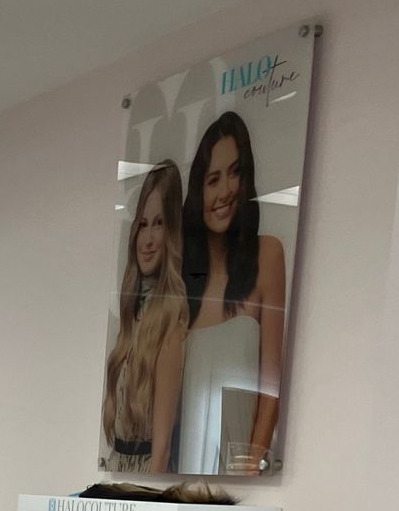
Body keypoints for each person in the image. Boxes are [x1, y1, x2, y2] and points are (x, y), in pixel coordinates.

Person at [179, 111, 287, 473]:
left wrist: (250, 465)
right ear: (199, 191)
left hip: (240, 472)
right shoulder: (183, 282)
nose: (225, 190)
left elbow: (272, 387)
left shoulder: (267, 255)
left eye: (235, 172)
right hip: (186, 470)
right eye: (213, 179)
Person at [102, 160, 188, 473]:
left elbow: (162, 450)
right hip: (117, 470)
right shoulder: (129, 317)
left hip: (144, 479)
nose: (149, 239)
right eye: (143, 224)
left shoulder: (170, 321)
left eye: (159, 224)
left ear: (172, 234)